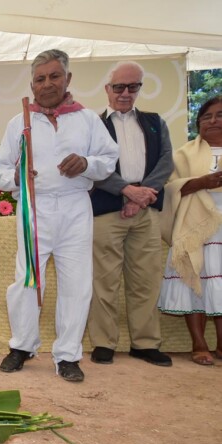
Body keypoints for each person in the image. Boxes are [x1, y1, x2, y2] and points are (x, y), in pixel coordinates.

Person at [0, 49, 119, 382]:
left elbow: (108, 158)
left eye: (54, 76)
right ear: (32, 84)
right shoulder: (18, 122)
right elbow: (1, 168)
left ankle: (67, 355)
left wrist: (88, 164)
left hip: (76, 207)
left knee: (76, 283)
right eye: (40, 78)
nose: (47, 83)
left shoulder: (87, 119)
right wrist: (19, 175)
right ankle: (22, 346)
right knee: (27, 280)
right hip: (34, 209)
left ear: (68, 79)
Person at [88, 62, 174, 367]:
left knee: (146, 279)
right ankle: (103, 343)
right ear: (108, 88)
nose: (125, 93)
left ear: (139, 88)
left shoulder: (154, 122)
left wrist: (142, 194)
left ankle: (145, 343)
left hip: (146, 207)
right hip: (107, 208)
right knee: (104, 280)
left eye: (133, 86)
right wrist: (127, 191)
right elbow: (93, 167)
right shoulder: (94, 124)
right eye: (119, 87)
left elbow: (166, 160)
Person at [158, 96, 222, 365]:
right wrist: (200, 182)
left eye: (219, 115)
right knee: (194, 281)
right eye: (206, 117)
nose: (213, 120)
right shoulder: (182, 154)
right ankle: (199, 343)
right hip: (194, 228)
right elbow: (169, 188)